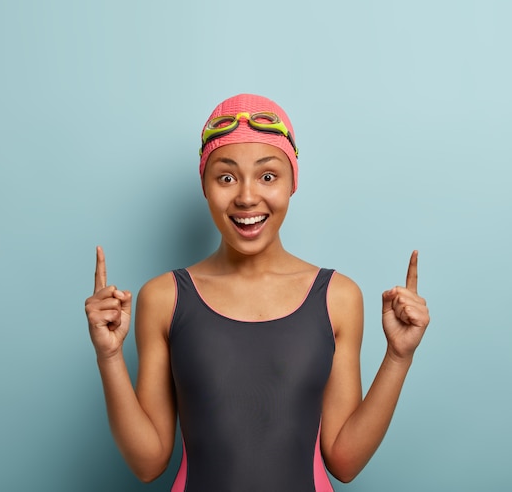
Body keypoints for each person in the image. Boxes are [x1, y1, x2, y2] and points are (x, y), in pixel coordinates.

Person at [85, 93, 430, 491]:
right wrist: (109, 356)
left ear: (292, 182)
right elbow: (148, 464)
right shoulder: (165, 298)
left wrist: (398, 357)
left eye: (268, 176)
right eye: (226, 177)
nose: (247, 196)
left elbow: (344, 461)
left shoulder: (337, 297)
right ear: (204, 185)